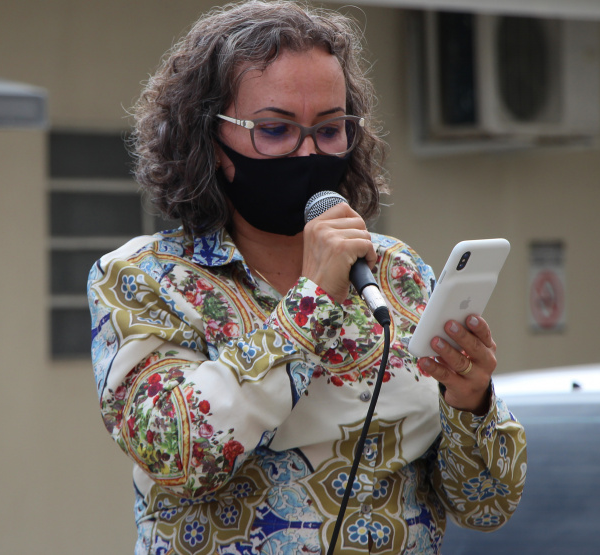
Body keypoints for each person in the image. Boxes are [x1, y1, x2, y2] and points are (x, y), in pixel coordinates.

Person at [87, 1, 527, 553]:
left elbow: (487, 506)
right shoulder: (143, 279)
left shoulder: (397, 272)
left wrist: (472, 403)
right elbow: (177, 455)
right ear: (209, 141)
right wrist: (311, 300)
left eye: (330, 128)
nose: (308, 151)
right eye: (276, 130)